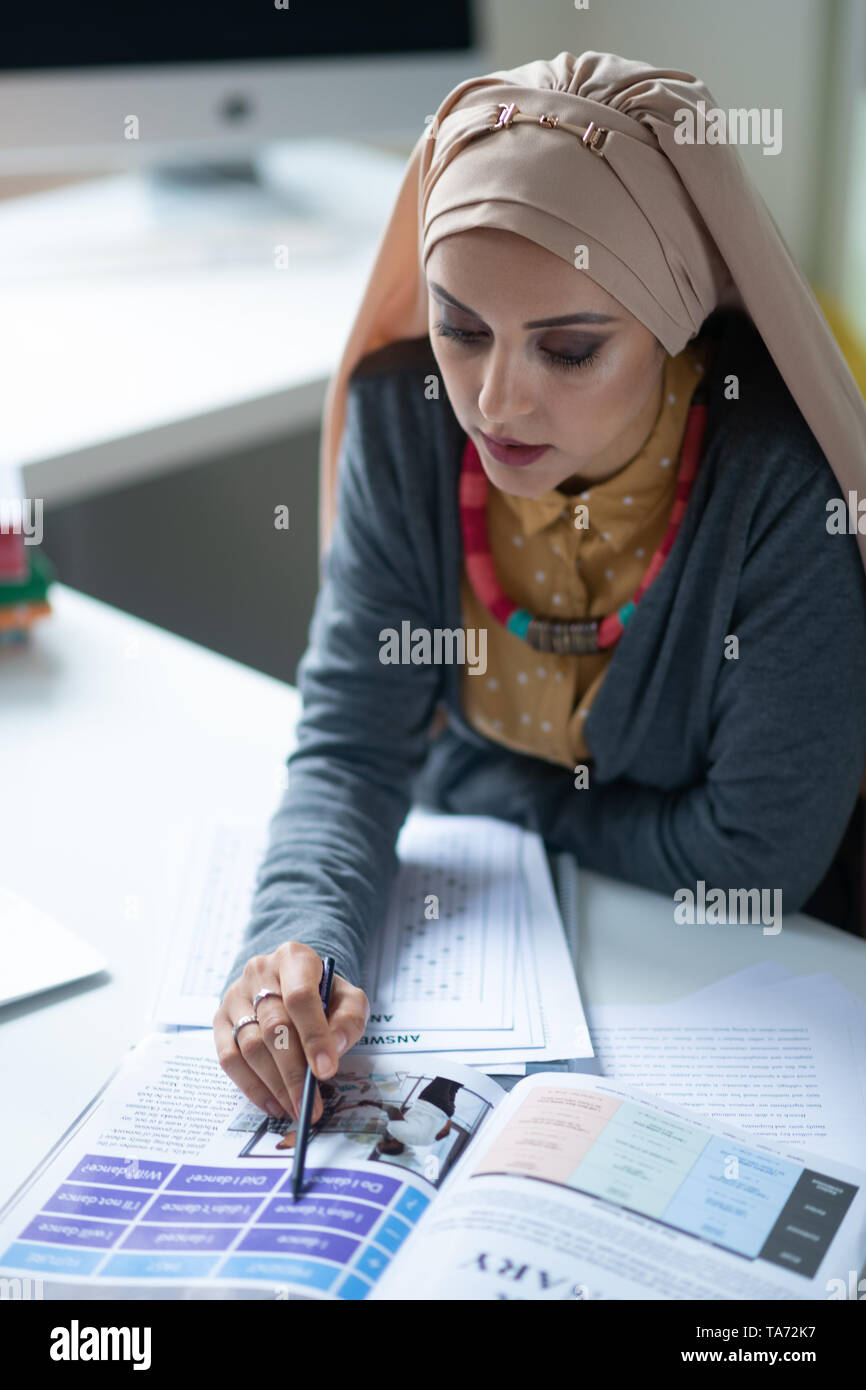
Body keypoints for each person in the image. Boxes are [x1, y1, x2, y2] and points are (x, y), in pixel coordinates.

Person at [213, 50, 866, 1127]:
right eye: (460, 329)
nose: (494, 401)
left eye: (568, 349)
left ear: (673, 323)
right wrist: (300, 948)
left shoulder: (778, 490)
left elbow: (753, 859)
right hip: (527, 951)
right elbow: (353, 749)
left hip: (757, 985)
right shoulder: (407, 423)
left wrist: (474, 782)